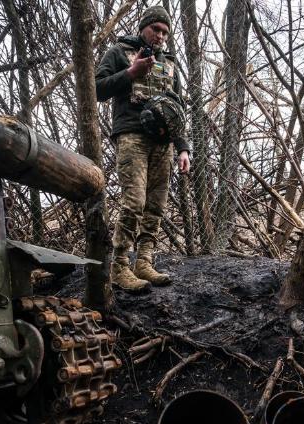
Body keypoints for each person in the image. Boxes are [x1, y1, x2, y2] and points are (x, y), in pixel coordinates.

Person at [95, 5, 191, 293]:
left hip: (163, 143)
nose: (160, 36)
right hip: (132, 136)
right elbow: (97, 89)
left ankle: (144, 262)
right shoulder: (119, 51)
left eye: (165, 31)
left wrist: (183, 147)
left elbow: (178, 109)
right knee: (134, 202)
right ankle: (120, 267)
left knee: (156, 206)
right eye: (155, 29)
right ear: (143, 27)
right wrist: (131, 72)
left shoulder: (170, 63)